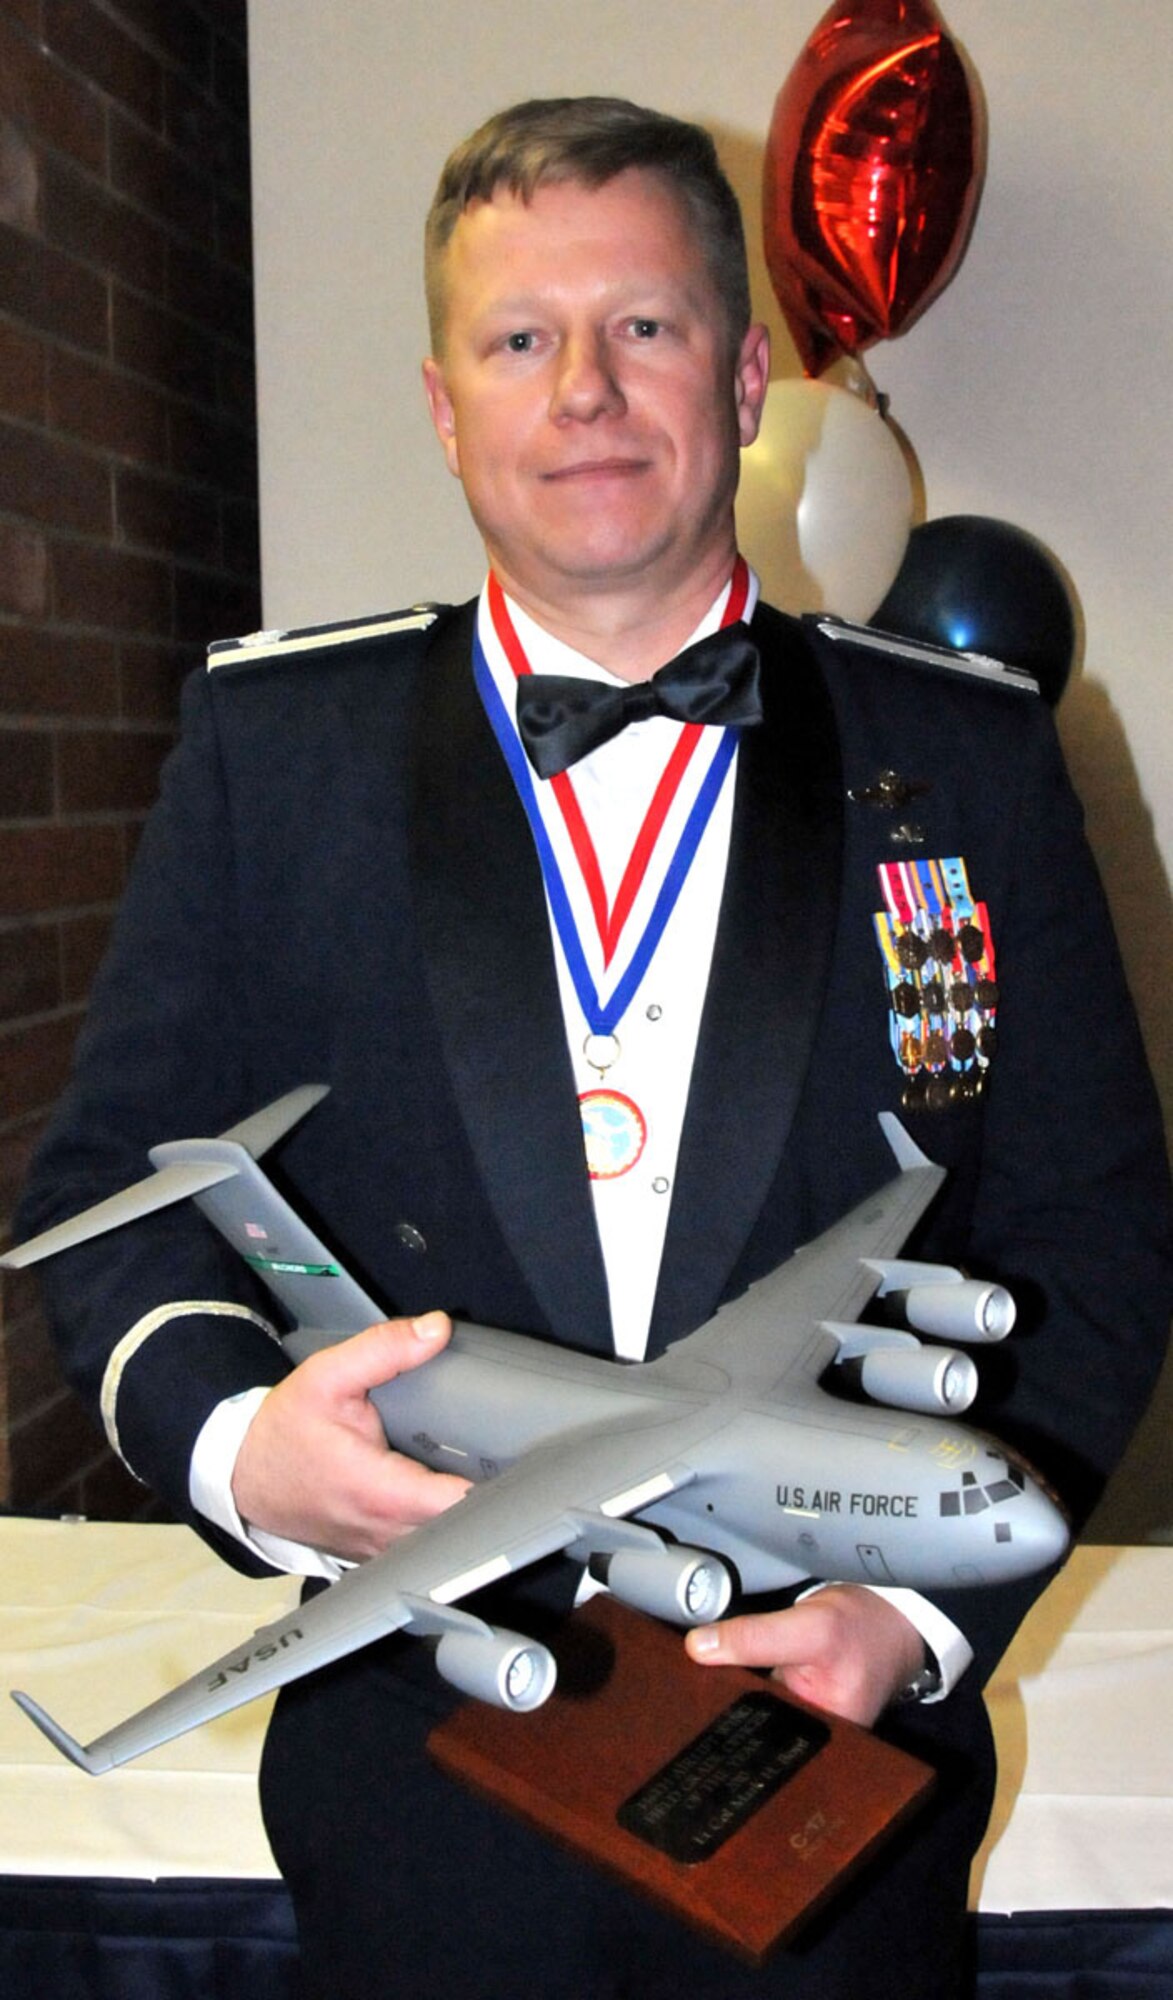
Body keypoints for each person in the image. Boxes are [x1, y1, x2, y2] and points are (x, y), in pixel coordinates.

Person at [17, 96, 1172, 1999]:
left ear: (740, 379)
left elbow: (1094, 1226)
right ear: (441, 399)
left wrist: (909, 1606)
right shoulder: (276, 751)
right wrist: (244, 1448)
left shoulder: (959, 754)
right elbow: (109, 1194)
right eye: (518, 339)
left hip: (842, 1752)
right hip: (422, 1771)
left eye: (641, 327)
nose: (583, 391)